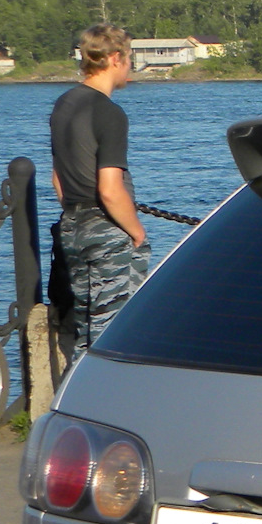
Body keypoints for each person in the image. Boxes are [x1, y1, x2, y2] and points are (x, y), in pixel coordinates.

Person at [51, 23, 148, 365]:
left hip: (72, 225)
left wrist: (76, 214)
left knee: (86, 329)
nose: (130, 67)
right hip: (106, 231)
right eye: (130, 59)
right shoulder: (109, 113)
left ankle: (74, 404)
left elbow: (58, 179)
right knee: (115, 334)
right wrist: (136, 231)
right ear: (115, 58)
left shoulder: (64, 104)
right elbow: (110, 189)